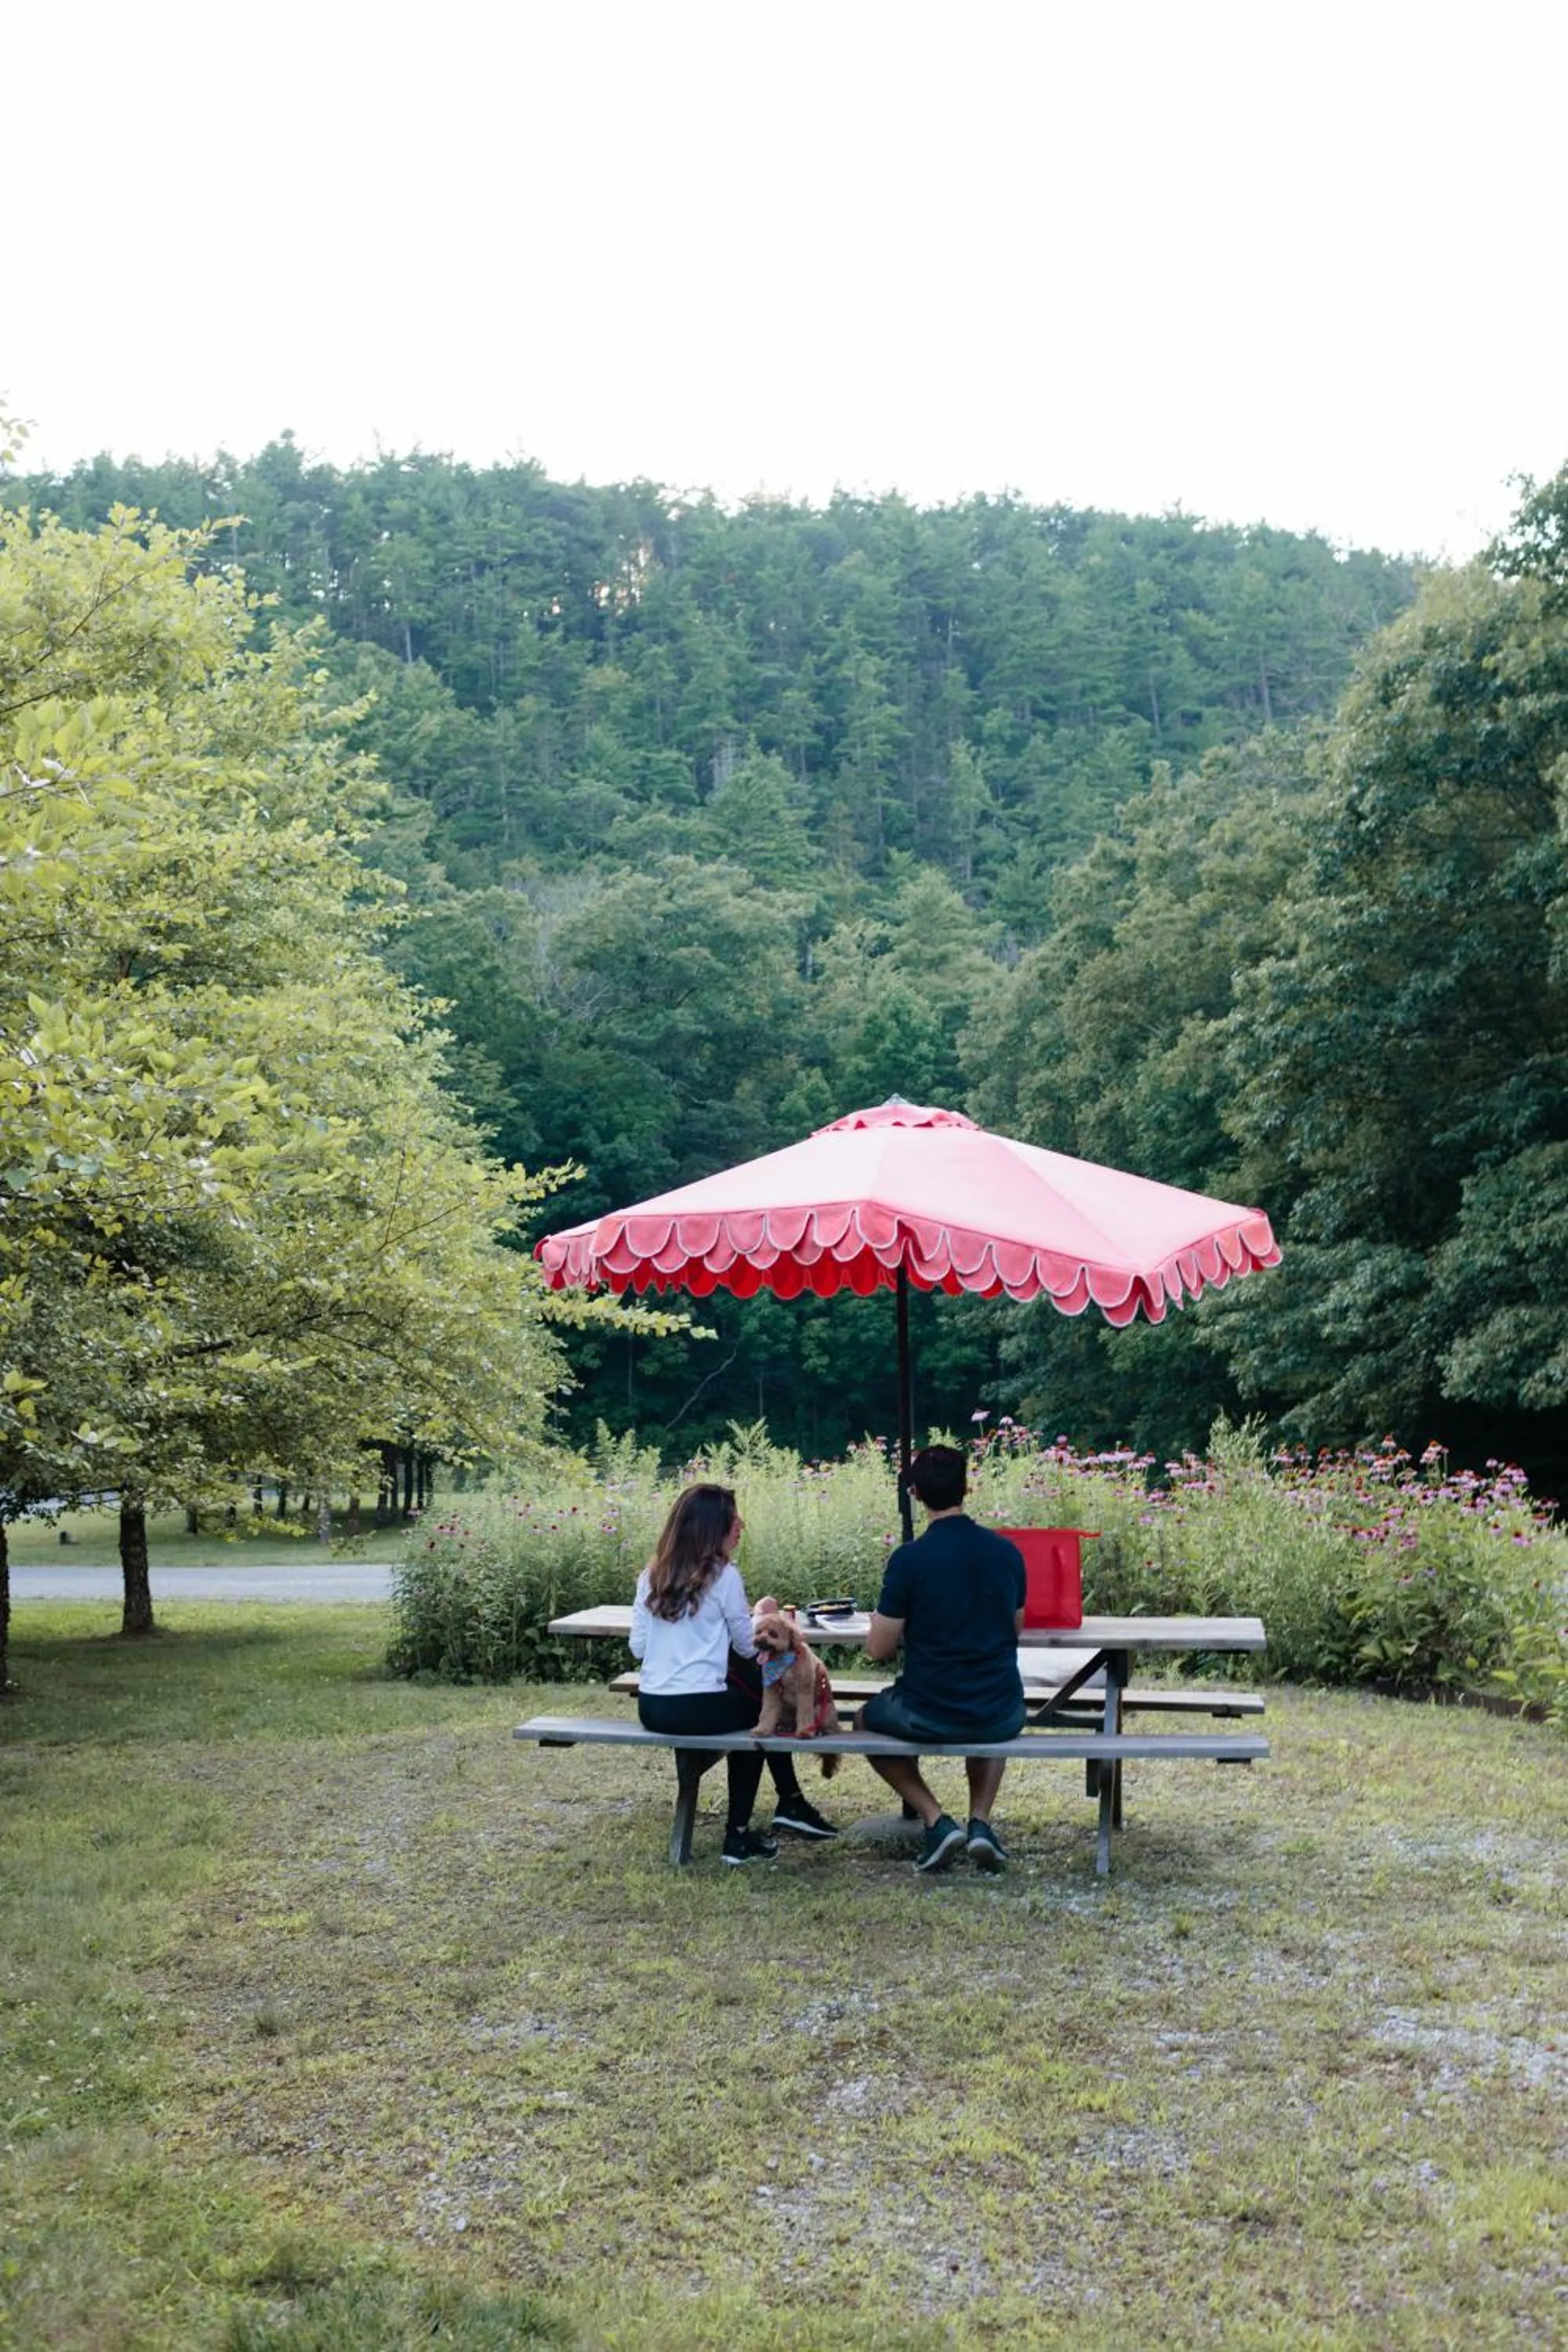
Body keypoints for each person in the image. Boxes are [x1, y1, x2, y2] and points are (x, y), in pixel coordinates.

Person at [630, 1482, 838, 1864]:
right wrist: (761, 1614)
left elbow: (638, 1648)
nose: (740, 1524)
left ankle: (789, 1802)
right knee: (761, 1714)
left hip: (653, 1707)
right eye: (732, 1520)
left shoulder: (651, 1576)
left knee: (755, 1699)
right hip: (699, 1708)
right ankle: (739, 1835)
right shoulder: (724, 1576)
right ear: (714, 1529)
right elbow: (747, 1646)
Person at [856, 1444, 1026, 1874]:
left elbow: (878, 1650)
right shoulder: (1007, 1553)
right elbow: (1016, 1626)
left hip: (929, 1709)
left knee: (862, 1723)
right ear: (966, 1488)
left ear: (914, 1493)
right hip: (1001, 1708)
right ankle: (981, 1822)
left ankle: (935, 1819)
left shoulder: (910, 1560)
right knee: (987, 1716)